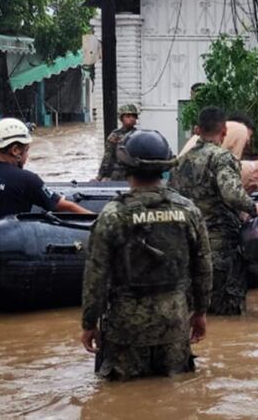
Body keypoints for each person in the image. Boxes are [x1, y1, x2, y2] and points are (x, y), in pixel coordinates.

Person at [81, 130, 213, 381]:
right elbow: (203, 267)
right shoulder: (188, 212)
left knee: (122, 400)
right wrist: (201, 313)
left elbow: (95, 278)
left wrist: (89, 324)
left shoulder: (112, 216)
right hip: (174, 323)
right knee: (175, 396)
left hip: (125, 329)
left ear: (125, 165)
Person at [169, 107, 258, 316]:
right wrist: (254, 207)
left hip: (188, 247)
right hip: (219, 247)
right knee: (227, 312)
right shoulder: (221, 157)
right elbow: (232, 194)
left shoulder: (180, 162)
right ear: (224, 131)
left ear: (197, 130)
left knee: (194, 313)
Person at [0, 117, 91, 230]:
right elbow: (64, 207)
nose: (27, 156)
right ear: (15, 150)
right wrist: (97, 222)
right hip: (9, 250)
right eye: (26, 151)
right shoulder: (26, 179)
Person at [95, 104, 141, 181]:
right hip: (119, 173)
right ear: (121, 118)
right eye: (128, 116)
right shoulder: (115, 136)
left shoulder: (139, 135)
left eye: (133, 116)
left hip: (135, 172)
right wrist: (100, 176)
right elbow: (107, 157)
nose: (131, 119)